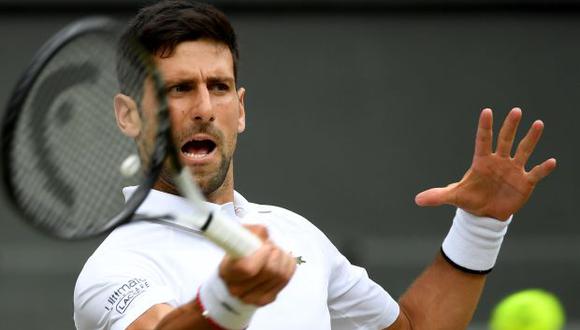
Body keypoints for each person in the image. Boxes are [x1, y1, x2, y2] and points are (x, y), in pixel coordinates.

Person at [73, 1, 557, 329]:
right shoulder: (116, 266)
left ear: (240, 110)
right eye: (179, 89)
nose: (203, 107)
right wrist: (227, 299)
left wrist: (481, 226)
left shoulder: (295, 233)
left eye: (218, 87)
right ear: (129, 115)